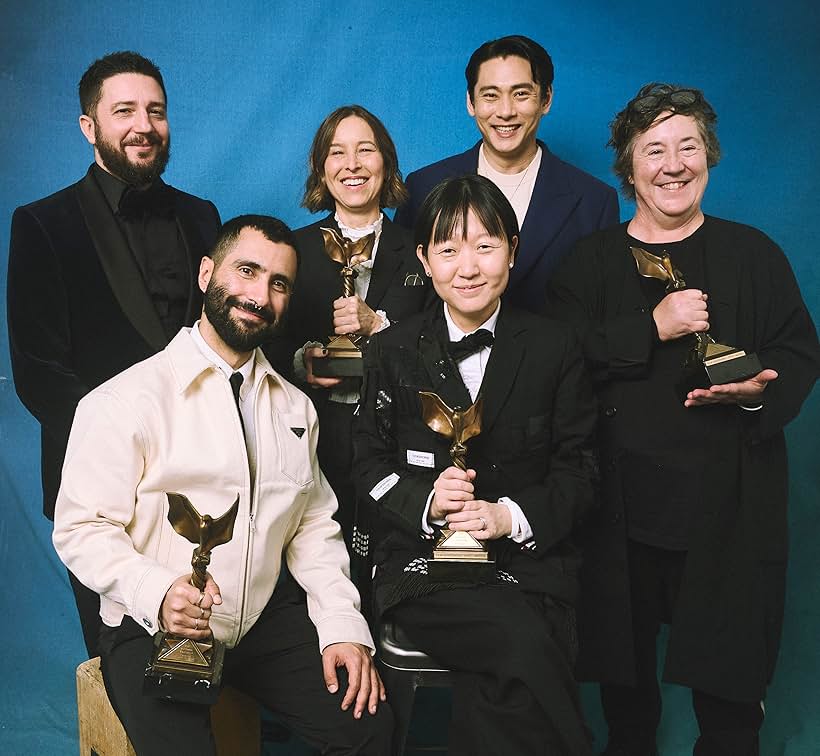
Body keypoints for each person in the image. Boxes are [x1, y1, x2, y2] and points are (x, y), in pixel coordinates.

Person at [546, 83, 820, 756]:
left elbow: (797, 351)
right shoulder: (588, 263)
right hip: (618, 518)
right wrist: (650, 328)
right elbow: (557, 364)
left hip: (727, 515)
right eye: (655, 150)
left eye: (688, 146)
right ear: (629, 167)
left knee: (732, 721)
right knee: (628, 720)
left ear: (710, 157)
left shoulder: (753, 254)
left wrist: (755, 393)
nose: (673, 164)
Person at [52, 215, 392, 755]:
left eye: (279, 284)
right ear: (208, 273)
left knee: (367, 725)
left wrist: (341, 625)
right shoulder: (122, 401)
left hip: (259, 621)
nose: (261, 295)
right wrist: (157, 593)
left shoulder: (295, 406)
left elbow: (312, 525)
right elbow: (80, 528)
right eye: (247, 271)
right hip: (153, 626)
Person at [354, 175, 598, 755]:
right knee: (520, 640)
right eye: (448, 248)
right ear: (424, 259)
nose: (468, 267)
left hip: (525, 563)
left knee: (505, 678)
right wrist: (427, 502)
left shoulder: (554, 347)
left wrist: (508, 516)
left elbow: (581, 471)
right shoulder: (391, 349)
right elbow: (364, 465)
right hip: (420, 568)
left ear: (513, 252)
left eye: (485, 246)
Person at [7, 51, 220, 658]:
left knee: (206, 657)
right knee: (117, 665)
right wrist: (131, 451)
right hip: (98, 485)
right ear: (88, 125)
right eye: (123, 110)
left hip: (201, 476)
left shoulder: (202, 216)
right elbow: (38, 374)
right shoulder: (41, 223)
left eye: (156, 110)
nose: (143, 125)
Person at [272, 105, 431, 556]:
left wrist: (375, 323)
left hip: (400, 437)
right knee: (316, 556)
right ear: (322, 169)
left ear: (387, 162)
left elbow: (439, 335)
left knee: (390, 557)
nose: (353, 165)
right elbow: (269, 342)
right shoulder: (294, 249)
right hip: (315, 435)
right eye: (337, 153)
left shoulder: (421, 247)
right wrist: (306, 363)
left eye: (366, 150)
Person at [394, 34, 619, 311]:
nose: (505, 111)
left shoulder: (594, 202)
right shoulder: (423, 187)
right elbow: (402, 296)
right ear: (470, 102)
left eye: (521, 94)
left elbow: (602, 313)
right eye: (490, 95)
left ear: (546, 99)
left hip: (552, 354)